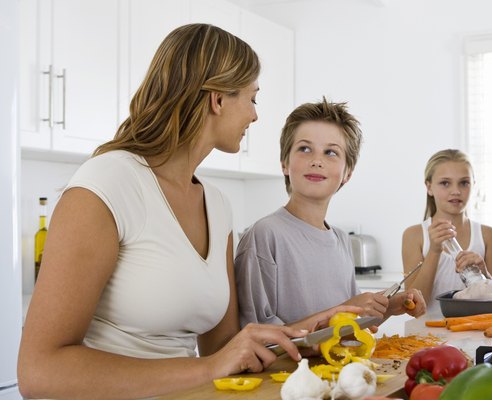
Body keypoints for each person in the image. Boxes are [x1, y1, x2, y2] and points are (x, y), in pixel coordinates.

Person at [17, 24, 360, 399]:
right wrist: (208, 367)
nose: (254, 116)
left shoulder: (218, 206)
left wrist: (324, 325)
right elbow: (39, 372)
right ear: (217, 99)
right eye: (252, 98)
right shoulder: (107, 183)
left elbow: (226, 350)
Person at [234, 98, 426, 327]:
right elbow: (257, 341)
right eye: (304, 149)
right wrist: (341, 312)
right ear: (284, 163)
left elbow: (346, 326)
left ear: (347, 173)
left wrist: (390, 306)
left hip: (341, 364)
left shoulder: (342, 240)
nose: (316, 161)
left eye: (331, 153)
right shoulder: (264, 235)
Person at [402, 149, 492, 313]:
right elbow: (413, 307)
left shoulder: (488, 235)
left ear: (473, 185)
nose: (455, 191)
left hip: (479, 334)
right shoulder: (414, 235)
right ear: (429, 187)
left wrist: (484, 272)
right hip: (427, 335)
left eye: (464, 183)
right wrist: (434, 251)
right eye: (445, 183)